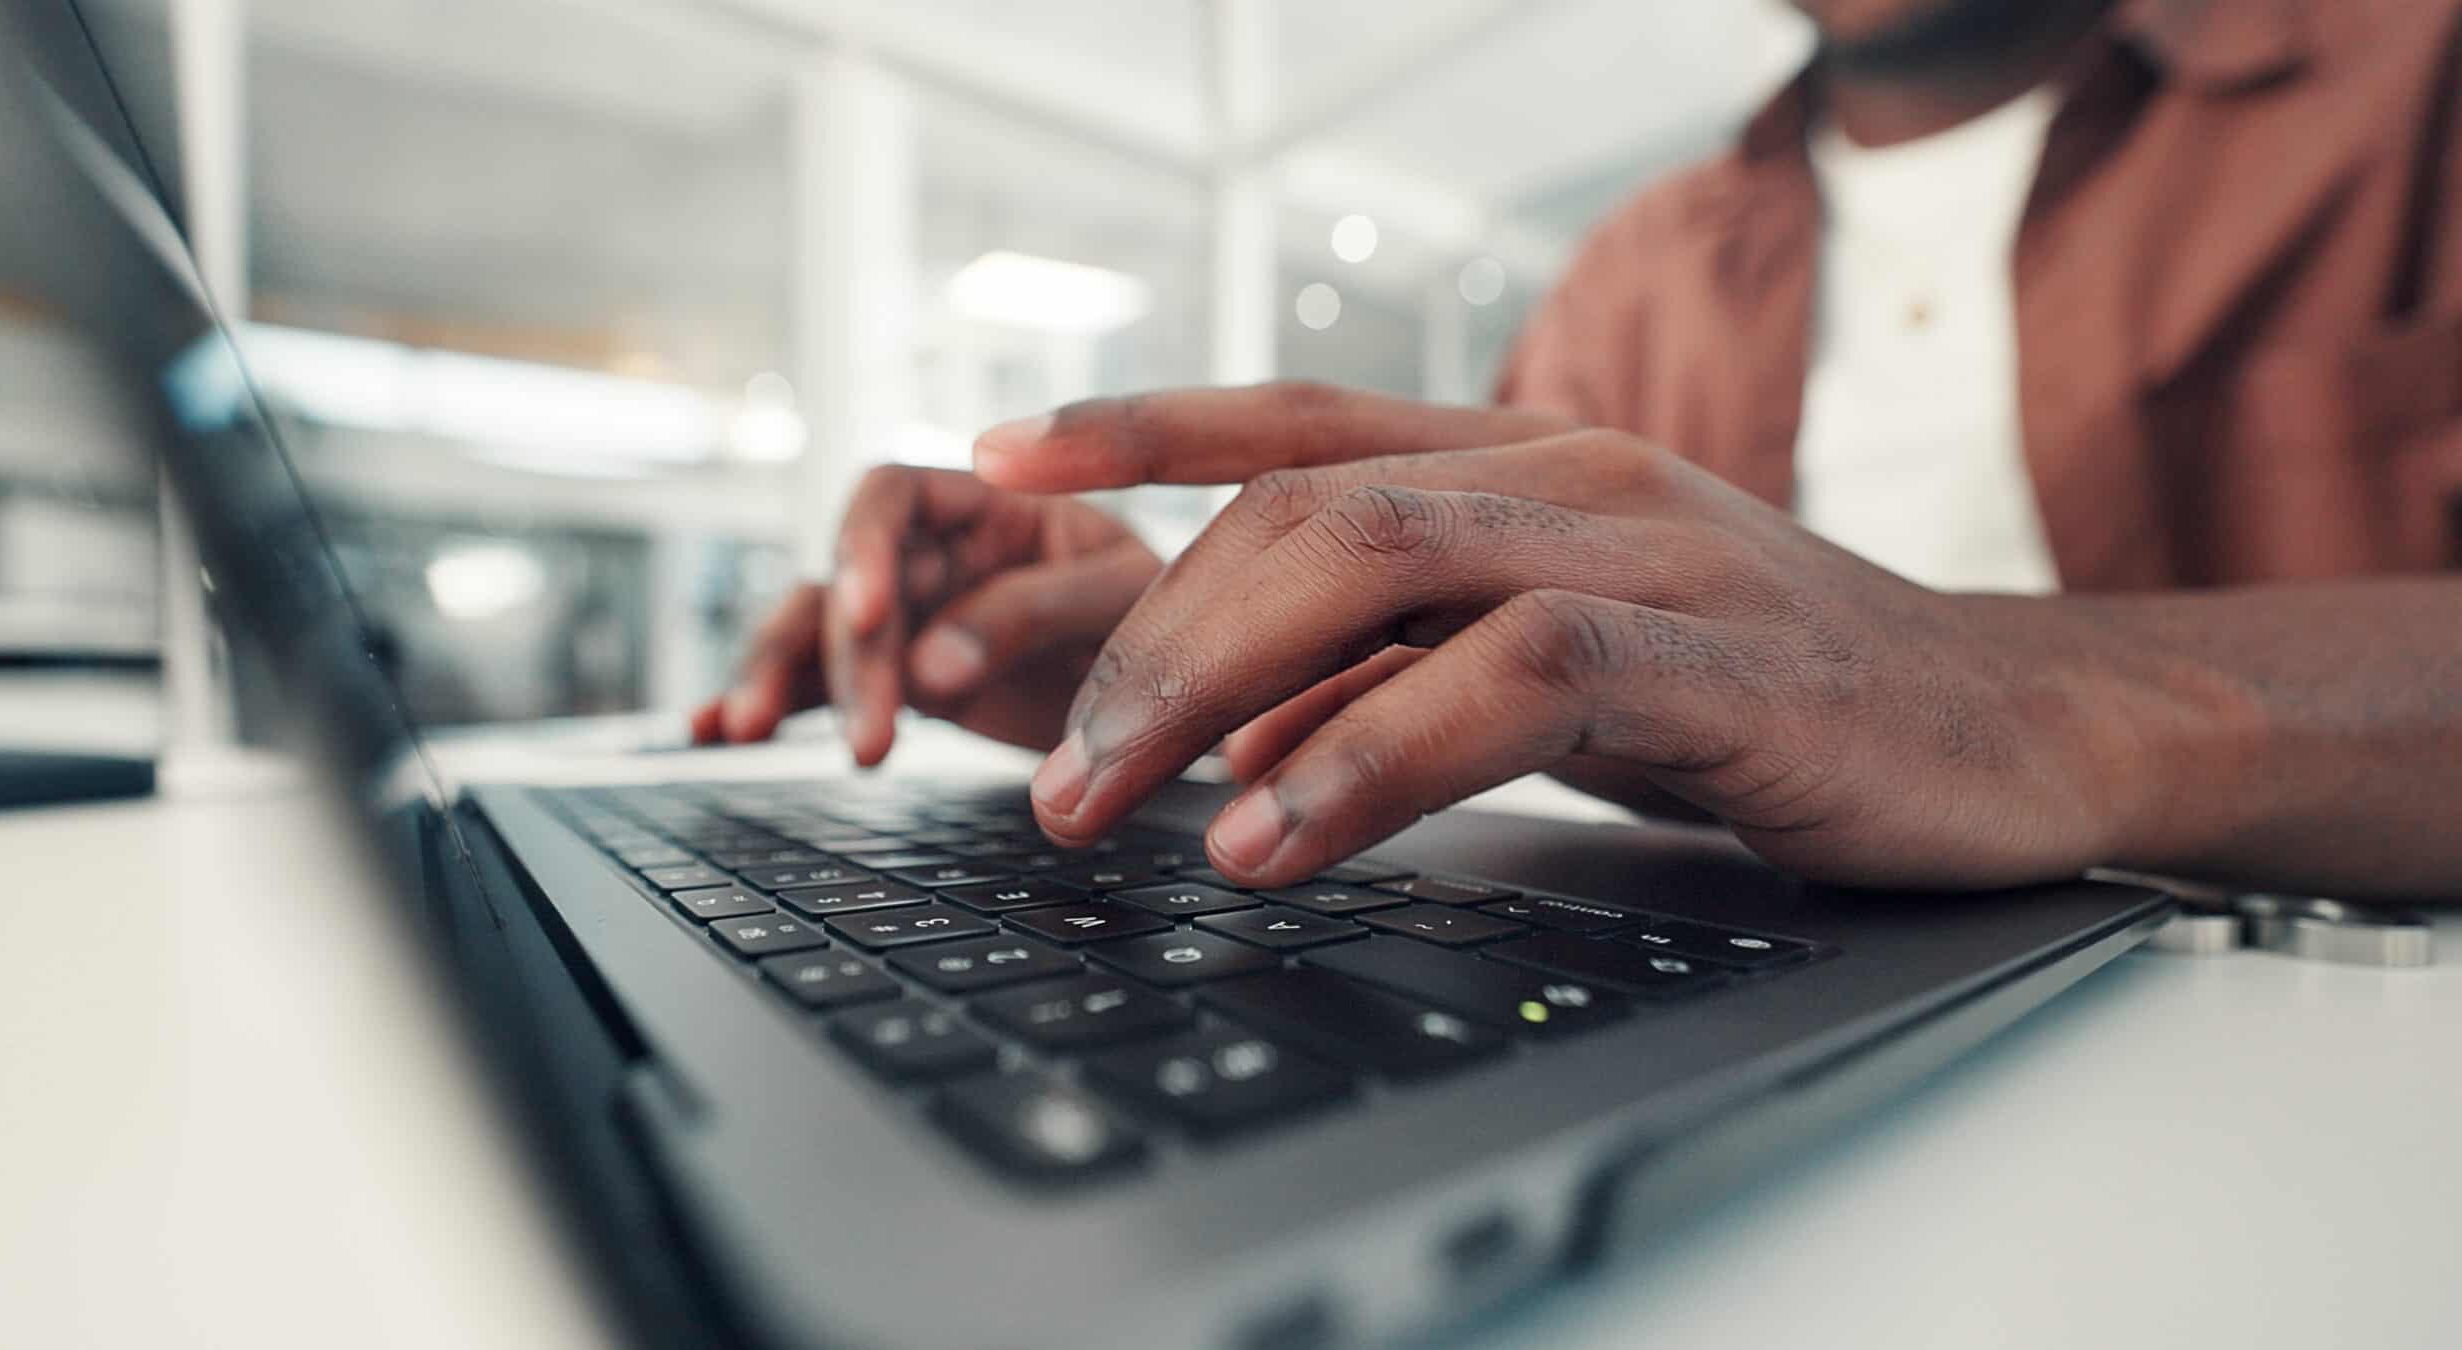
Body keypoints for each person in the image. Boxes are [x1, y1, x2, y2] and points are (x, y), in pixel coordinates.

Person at [694, 0, 2462, 899]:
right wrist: (1197, 659)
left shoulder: (2419, 79)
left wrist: (2038, 695)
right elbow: (1499, 651)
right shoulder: (1638, 274)